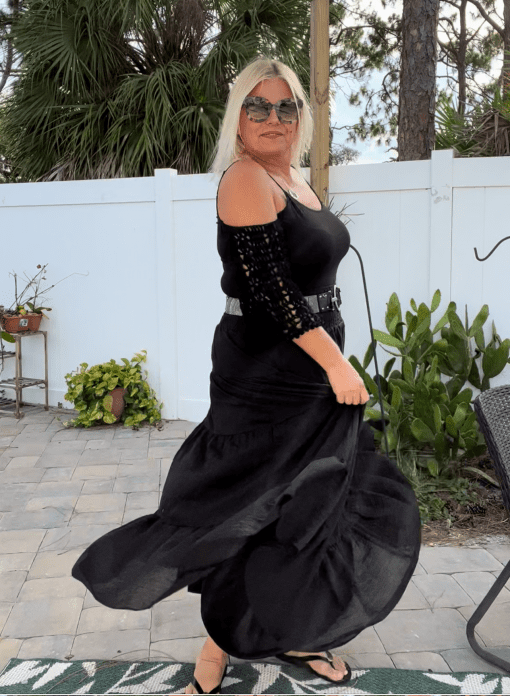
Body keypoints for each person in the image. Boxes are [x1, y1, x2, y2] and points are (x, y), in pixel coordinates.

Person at [71, 56, 421, 695]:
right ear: (238, 117)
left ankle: (284, 628)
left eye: (286, 106)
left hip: (309, 364)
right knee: (254, 501)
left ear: (301, 117)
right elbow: (273, 295)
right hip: (265, 370)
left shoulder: (295, 179)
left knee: (308, 501)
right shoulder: (244, 179)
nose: (272, 117)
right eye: (257, 105)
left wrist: (331, 358)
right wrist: (337, 363)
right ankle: (219, 647)